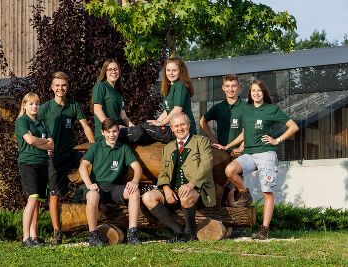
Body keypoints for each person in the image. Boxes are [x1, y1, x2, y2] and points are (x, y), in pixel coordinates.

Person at [218, 80, 299, 240]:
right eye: (253, 91)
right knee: (230, 170)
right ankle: (244, 193)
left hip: (266, 154)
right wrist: (228, 146)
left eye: (259, 91)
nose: (256, 93)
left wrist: (277, 140)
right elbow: (244, 133)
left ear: (264, 93)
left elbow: (294, 127)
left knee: (267, 192)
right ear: (250, 93)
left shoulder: (272, 109)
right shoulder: (246, 110)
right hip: (249, 154)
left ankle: (264, 230)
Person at [37, 71, 95, 245]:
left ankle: (96, 218)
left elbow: (85, 125)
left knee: (94, 171)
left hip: (73, 152)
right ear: (52, 87)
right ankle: (57, 232)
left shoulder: (73, 105)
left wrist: (93, 144)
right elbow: (36, 128)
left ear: (67, 87)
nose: (60, 88)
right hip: (54, 156)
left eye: (63, 85)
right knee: (55, 194)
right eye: (57, 85)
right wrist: (44, 145)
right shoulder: (45, 108)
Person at [142, 113, 215, 242]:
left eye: (183, 125)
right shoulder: (168, 148)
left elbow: (206, 164)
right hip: (174, 191)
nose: (180, 128)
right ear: (172, 128)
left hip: (197, 191)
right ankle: (177, 230)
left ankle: (190, 231)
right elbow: (164, 171)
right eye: (176, 126)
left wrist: (191, 184)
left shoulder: (201, 141)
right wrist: (165, 188)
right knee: (148, 197)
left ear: (188, 125)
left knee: (186, 194)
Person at [79, 118, 142, 246]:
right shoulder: (96, 147)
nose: (112, 135)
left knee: (134, 192)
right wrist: (89, 184)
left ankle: (132, 233)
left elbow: (137, 167)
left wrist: (135, 181)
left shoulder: (123, 148)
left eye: (114, 131)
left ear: (119, 132)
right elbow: (83, 166)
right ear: (103, 133)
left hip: (115, 188)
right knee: (92, 195)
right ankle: (93, 236)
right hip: (98, 187)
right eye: (108, 132)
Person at [199, 74, 246, 206]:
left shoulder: (246, 107)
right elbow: (203, 121)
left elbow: (248, 130)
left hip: (238, 153)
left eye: (234, 86)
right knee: (221, 185)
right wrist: (214, 140)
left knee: (233, 186)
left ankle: (236, 212)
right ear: (223, 88)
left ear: (239, 87)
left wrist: (242, 147)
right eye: (227, 86)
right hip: (221, 152)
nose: (231, 89)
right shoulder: (218, 107)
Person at [15, 92, 54, 247]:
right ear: (24, 105)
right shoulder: (21, 121)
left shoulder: (42, 123)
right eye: (31, 104)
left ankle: (34, 236)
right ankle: (26, 239)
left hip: (42, 163)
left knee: (37, 201)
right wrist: (43, 142)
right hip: (28, 163)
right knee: (32, 198)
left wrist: (40, 141)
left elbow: (52, 145)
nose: (34, 106)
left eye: (37, 103)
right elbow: (29, 140)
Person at [144, 57, 197, 143]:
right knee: (147, 126)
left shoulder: (180, 85)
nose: (170, 73)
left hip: (184, 131)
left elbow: (177, 109)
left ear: (180, 71)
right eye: (168, 70)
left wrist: (162, 123)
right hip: (176, 128)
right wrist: (157, 121)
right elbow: (168, 110)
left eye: (174, 70)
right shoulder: (171, 87)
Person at [92, 59, 143, 142]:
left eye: (116, 69)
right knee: (139, 132)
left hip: (119, 131)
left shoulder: (118, 92)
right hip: (108, 133)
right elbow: (97, 110)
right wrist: (112, 127)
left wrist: (134, 128)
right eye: (110, 69)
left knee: (143, 130)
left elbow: (124, 117)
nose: (113, 71)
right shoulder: (100, 86)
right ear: (105, 71)